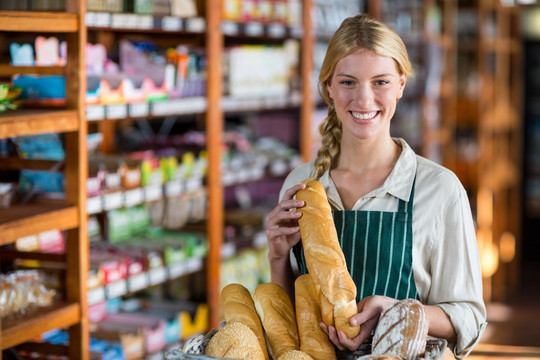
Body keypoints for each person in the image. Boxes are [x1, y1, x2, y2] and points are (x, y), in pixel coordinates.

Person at [265, 13, 487, 359]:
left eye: (380, 82)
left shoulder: (439, 190)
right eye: (348, 82)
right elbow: (292, 321)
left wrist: (397, 312)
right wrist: (278, 258)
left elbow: (470, 318)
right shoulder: (301, 185)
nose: (364, 99)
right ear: (328, 88)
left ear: (401, 84)